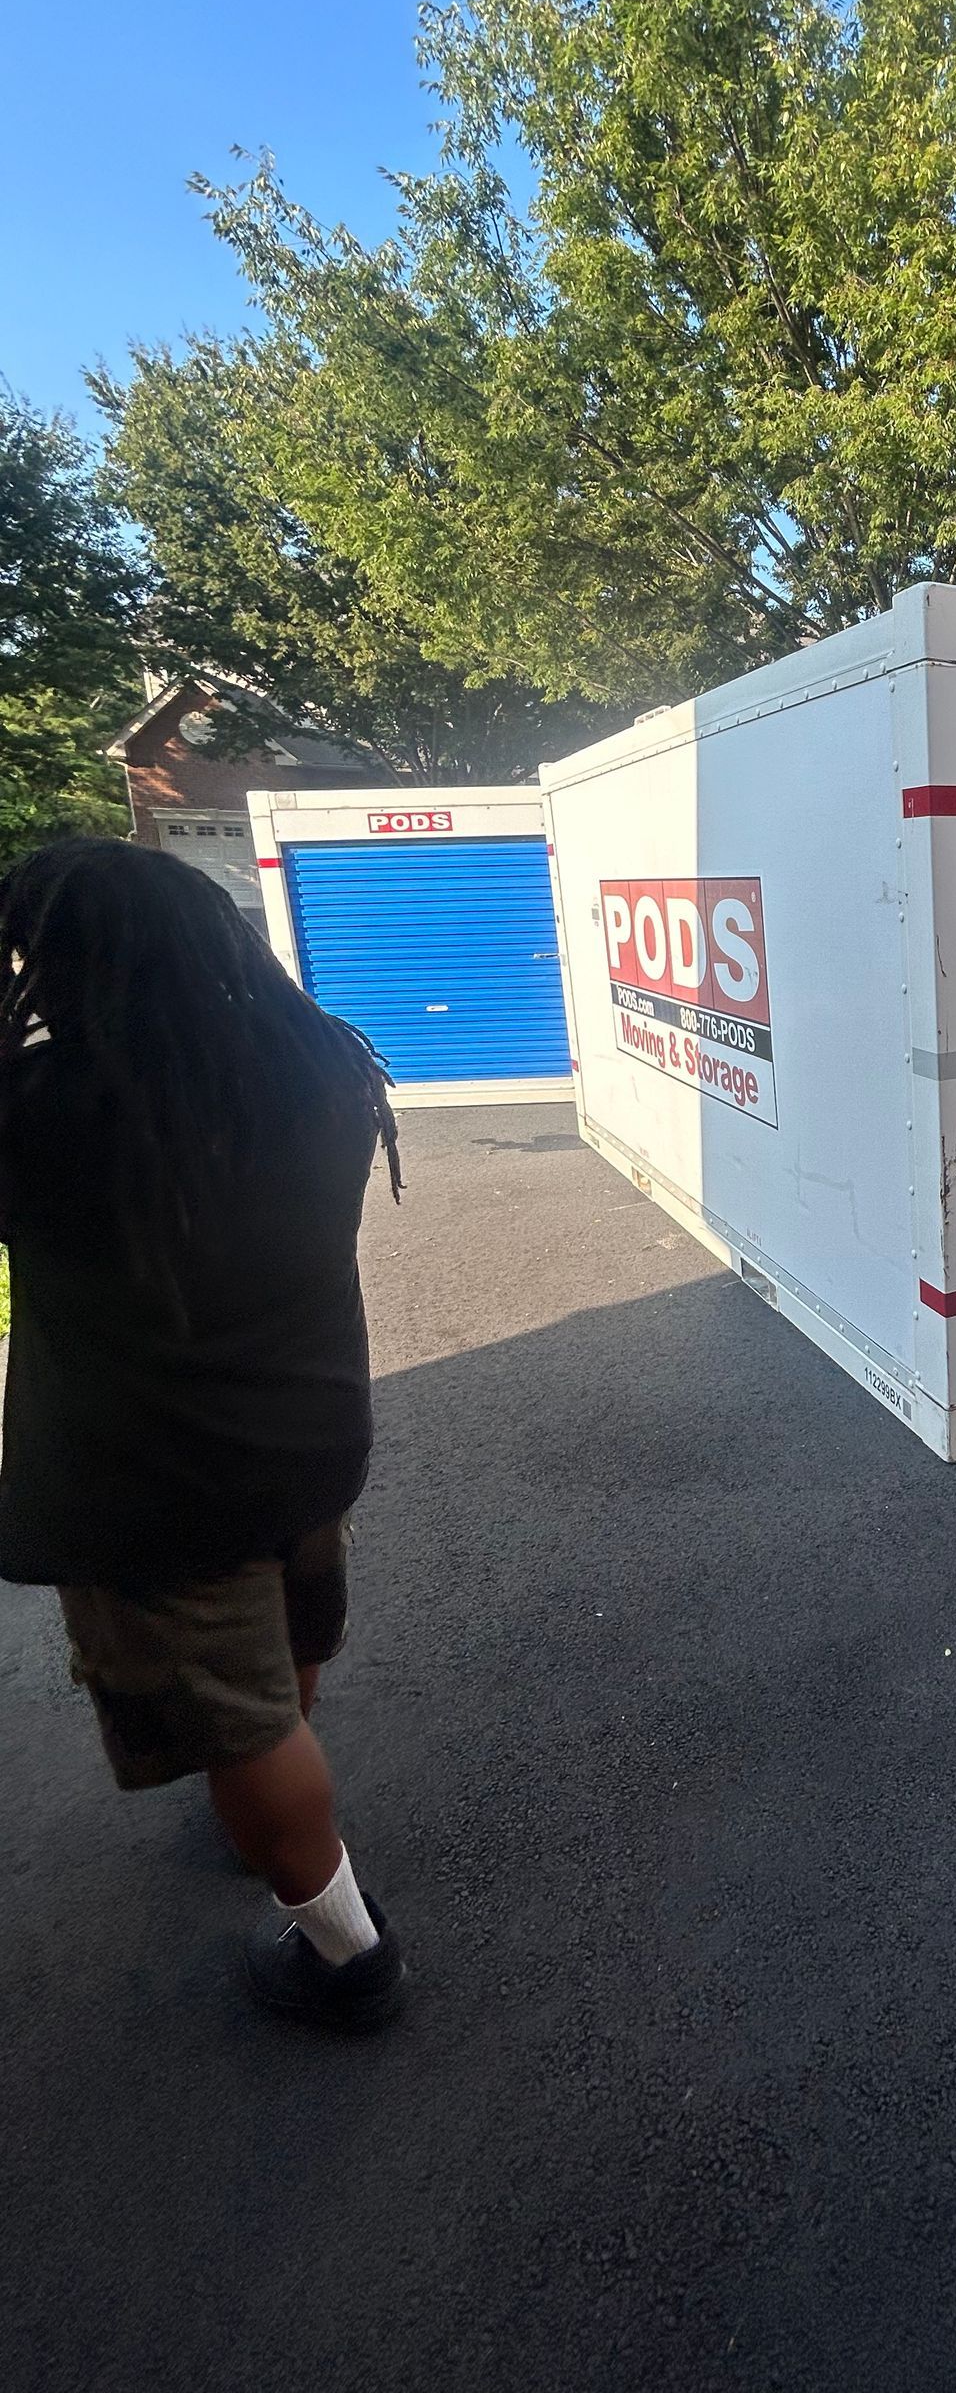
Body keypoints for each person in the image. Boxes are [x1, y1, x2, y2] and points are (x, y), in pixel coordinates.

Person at [0, 839, 407, 2027]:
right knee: (285, 1641)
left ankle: (345, 1957)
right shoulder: (318, 1066)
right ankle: (274, 1798)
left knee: (238, 1709)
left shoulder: (48, 1109)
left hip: (156, 1485)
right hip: (312, 1440)